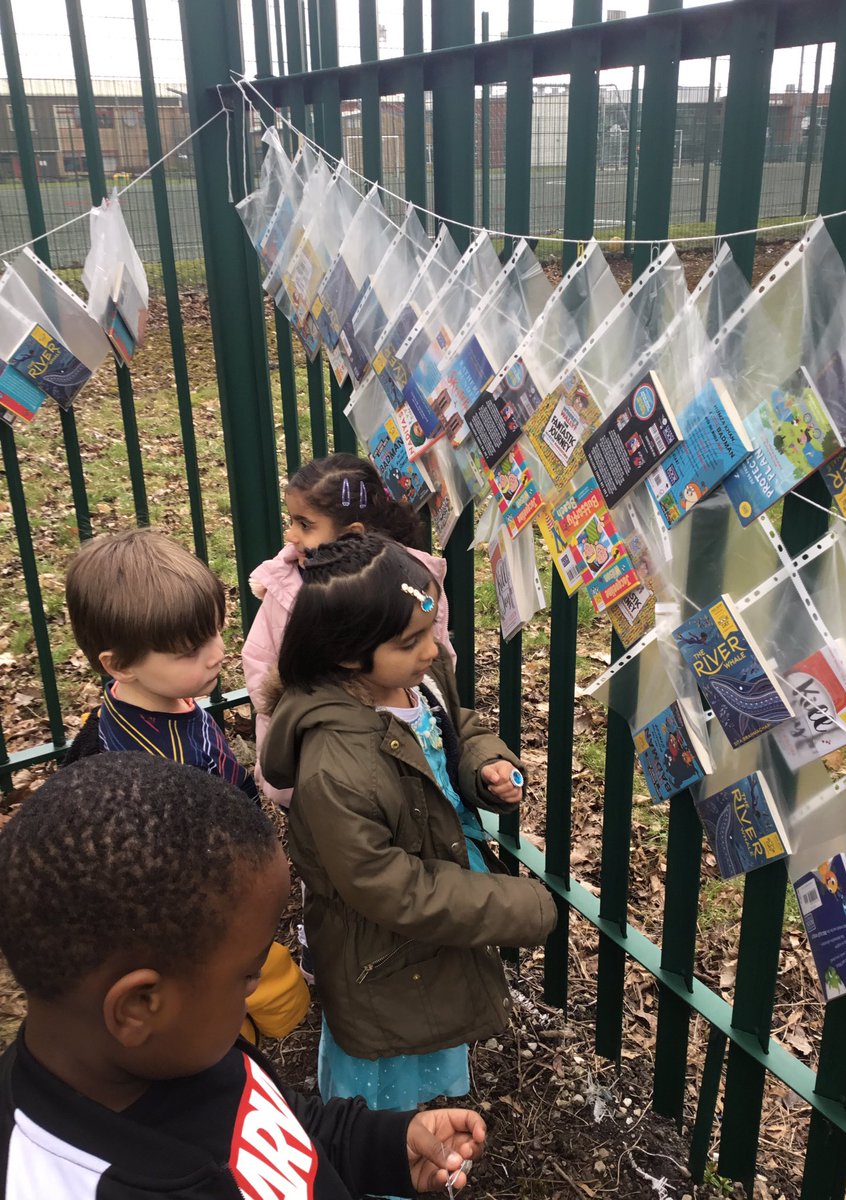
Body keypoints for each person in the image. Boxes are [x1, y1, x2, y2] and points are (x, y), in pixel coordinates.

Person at [0, 755, 486, 1200]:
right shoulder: (57, 1182)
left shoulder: (178, 1050)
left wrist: (379, 1146)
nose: (257, 985)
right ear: (139, 1006)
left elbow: (277, 1122)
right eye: (248, 973)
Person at [260, 533, 556, 1117]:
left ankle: (430, 1132)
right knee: (386, 1064)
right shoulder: (335, 769)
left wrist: (486, 766)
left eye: (430, 628)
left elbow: (456, 727)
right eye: (411, 640)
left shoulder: (412, 680)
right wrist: (510, 904)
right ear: (348, 654)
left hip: (440, 900)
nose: (432, 649)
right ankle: (378, 1160)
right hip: (382, 953)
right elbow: (387, 886)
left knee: (433, 1030)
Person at [63, 527, 308, 1045]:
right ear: (118, 664)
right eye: (189, 650)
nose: (218, 653)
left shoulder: (167, 698)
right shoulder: (134, 776)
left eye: (217, 632)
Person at [243, 453, 455, 810]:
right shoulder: (285, 588)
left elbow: (437, 655)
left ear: (353, 533)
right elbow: (261, 663)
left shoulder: (411, 583)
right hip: (321, 749)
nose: (290, 535)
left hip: (404, 734)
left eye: (305, 525)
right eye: (291, 521)